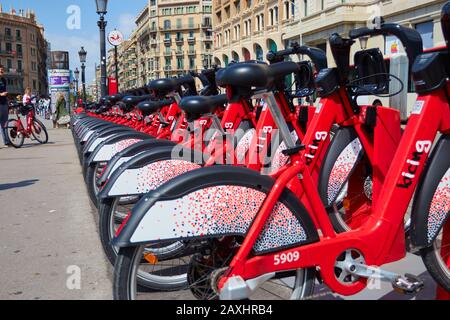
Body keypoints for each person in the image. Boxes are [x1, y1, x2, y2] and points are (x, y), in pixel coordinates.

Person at [0, 65, 10, 148]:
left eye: (2, 71)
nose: (2, 72)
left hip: (4, 104)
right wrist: (1, 94)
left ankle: (6, 141)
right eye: (0, 71)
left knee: (5, 124)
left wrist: (8, 101)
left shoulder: (4, 80)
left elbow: (5, 91)